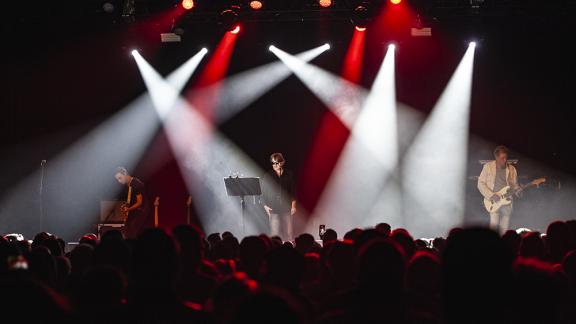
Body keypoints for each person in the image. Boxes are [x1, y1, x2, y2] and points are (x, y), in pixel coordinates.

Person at [477, 146, 520, 234]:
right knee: (494, 226)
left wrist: (518, 191)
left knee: (505, 227)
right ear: (496, 157)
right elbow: (480, 184)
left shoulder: (512, 169)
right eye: (502, 158)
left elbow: (514, 186)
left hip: (507, 200)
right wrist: (491, 195)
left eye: (506, 158)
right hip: (493, 200)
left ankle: (503, 244)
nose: (504, 160)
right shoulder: (488, 167)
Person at [262, 153, 297, 242]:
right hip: (273, 208)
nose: (275, 165)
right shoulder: (268, 175)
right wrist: (265, 206)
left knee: (289, 232)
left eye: (277, 163)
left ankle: (289, 250)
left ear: (282, 162)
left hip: (286, 207)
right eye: (273, 163)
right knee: (274, 233)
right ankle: (274, 250)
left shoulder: (289, 174)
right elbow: (263, 193)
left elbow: (293, 192)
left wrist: (293, 206)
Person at [114, 167, 148, 239]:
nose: (119, 181)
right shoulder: (129, 184)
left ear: (125, 174)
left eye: (120, 178)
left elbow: (139, 203)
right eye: (117, 179)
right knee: (127, 231)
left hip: (141, 212)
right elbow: (132, 200)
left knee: (133, 232)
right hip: (134, 212)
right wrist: (125, 206)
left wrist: (128, 209)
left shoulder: (136, 184)